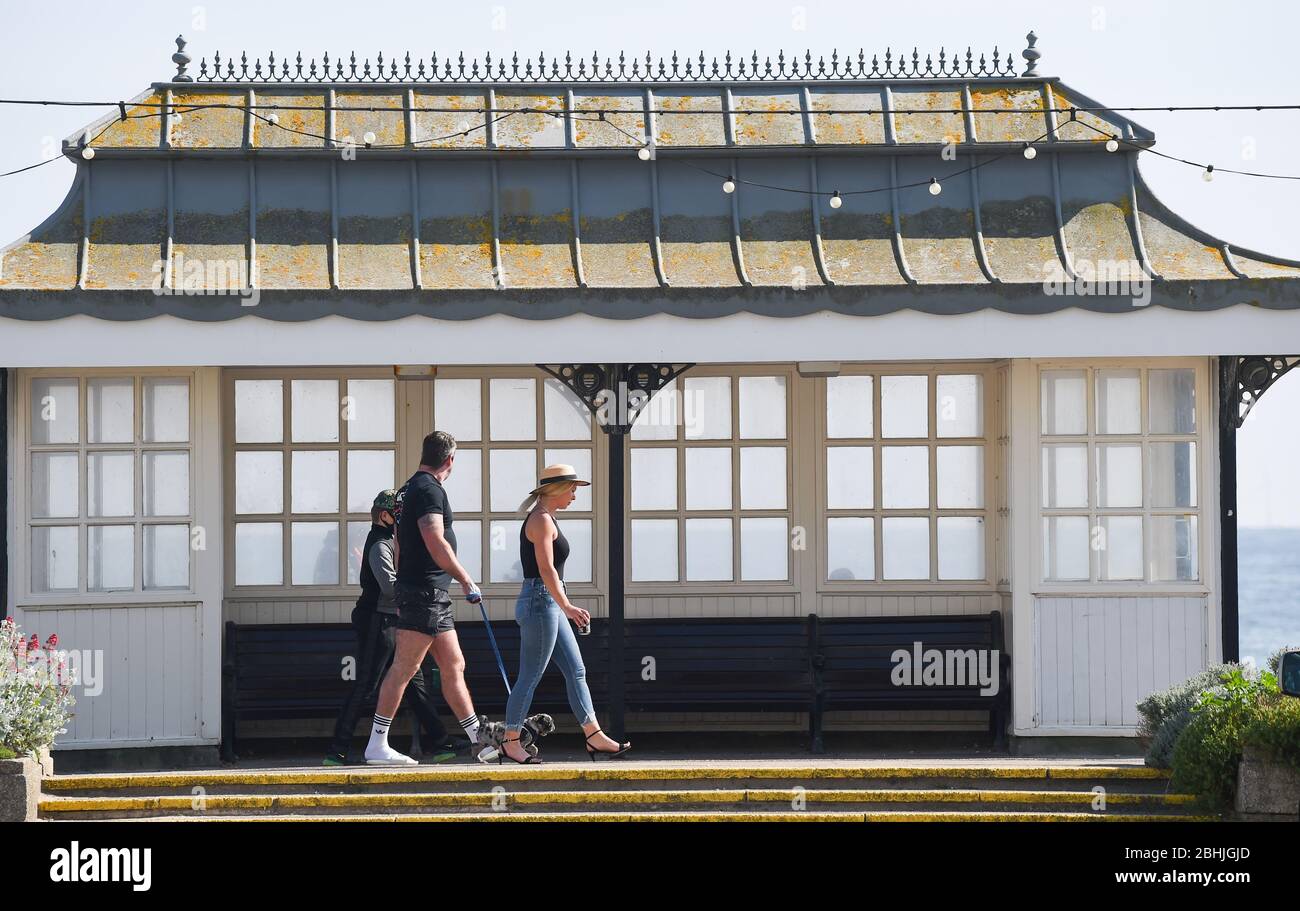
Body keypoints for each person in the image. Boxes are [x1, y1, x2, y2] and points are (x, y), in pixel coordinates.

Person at [364, 431, 490, 766]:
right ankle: (376, 745)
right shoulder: (430, 489)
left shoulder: (406, 491)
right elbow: (435, 539)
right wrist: (466, 580)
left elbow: (401, 545)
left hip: (428, 593)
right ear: (450, 460)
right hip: (426, 593)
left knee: (453, 664)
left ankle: (480, 739)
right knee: (405, 667)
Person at [323, 489, 467, 766]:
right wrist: (415, 590)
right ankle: (337, 750)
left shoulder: (390, 540)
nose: (404, 520)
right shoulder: (380, 543)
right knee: (366, 683)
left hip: (395, 619)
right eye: (398, 515)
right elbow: (388, 585)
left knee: (414, 682)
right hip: (379, 620)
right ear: (385, 515)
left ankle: (441, 742)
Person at [500, 463, 630, 764]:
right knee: (530, 675)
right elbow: (545, 570)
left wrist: (563, 605)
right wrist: (568, 606)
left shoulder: (547, 519)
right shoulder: (541, 521)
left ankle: (594, 736)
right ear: (555, 489)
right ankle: (510, 741)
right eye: (571, 488)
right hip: (540, 603)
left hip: (548, 602)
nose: (574, 494)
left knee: (576, 670)